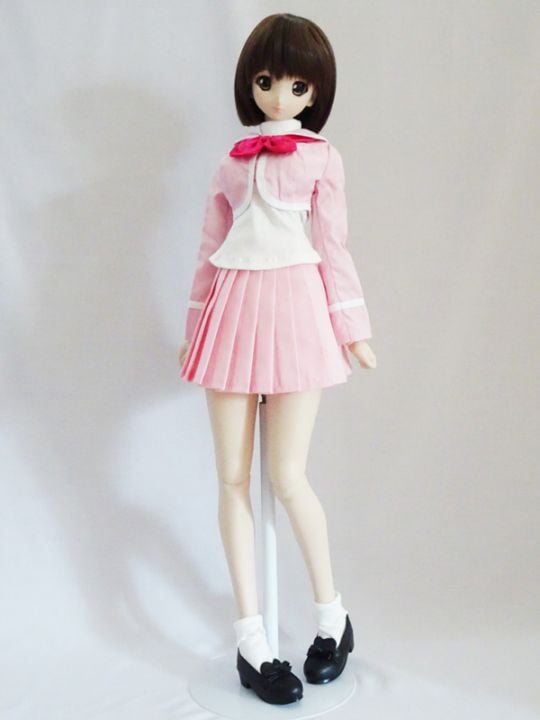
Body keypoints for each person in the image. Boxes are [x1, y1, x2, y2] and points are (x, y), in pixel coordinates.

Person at [178, 13, 376, 705]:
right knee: (232, 478)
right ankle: (252, 641)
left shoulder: (322, 158)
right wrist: (194, 324)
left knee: (288, 476)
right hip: (232, 311)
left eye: (296, 84)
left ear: (314, 90)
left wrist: (352, 327)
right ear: (251, 83)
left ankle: (332, 618)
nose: (280, 95)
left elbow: (334, 245)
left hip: (296, 311)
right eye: (267, 81)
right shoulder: (231, 161)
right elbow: (209, 250)